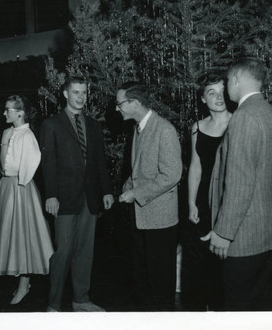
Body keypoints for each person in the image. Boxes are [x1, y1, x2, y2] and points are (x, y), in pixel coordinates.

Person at [209, 57, 272, 311]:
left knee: (239, 308)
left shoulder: (243, 117)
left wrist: (223, 233)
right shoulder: (268, 112)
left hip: (244, 235)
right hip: (267, 230)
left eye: (227, 82)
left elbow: (240, 183)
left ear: (235, 79)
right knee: (264, 303)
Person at [40, 75, 114, 312]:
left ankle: (81, 299)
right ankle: (53, 304)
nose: (81, 97)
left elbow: (100, 162)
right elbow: (48, 163)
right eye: (76, 93)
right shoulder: (51, 124)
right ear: (65, 94)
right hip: (63, 198)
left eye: (84, 93)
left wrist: (107, 191)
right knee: (62, 252)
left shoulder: (93, 125)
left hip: (90, 198)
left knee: (85, 251)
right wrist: (51, 195)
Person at [0, 95, 54, 305]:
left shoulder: (27, 135)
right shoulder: (7, 132)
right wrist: (1, 168)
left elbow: (32, 160)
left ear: (20, 113)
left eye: (8, 110)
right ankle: (19, 282)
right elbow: (4, 160)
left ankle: (23, 285)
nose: (4, 113)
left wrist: (19, 177)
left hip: (21, 188)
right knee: (7, 234)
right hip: (5, 187)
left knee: (23, 237)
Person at [116, 82, 182, 311]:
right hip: (140, 217)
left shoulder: (164, 130)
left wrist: (135, 193)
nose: (118, 109)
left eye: (120, 104)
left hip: (159, 219)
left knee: (160, 281)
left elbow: (172, 174)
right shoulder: (137, 128)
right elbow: (139, 169)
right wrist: (128, 185)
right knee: (142, 276)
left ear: (134, 103)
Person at [184, 73, 231, 310]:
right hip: (203, 199)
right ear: (203, 99)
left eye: (222, 91)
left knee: (222, 263)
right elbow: (195, 166)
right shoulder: (197, 127)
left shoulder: (237, 123)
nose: (218, 97)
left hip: (227, 198)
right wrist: (191, 202)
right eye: (211, 93)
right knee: (198, 260)